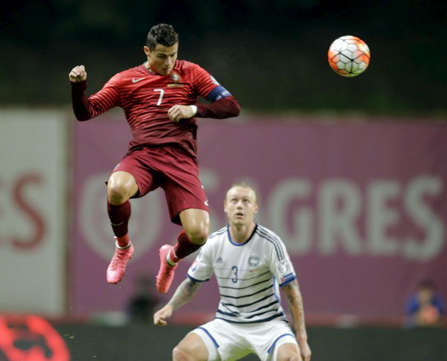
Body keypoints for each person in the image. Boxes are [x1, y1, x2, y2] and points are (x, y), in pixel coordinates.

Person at [68, 24, 240, 293]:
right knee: (116, 188)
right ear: (147, 51)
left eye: (173, 54)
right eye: (162, 56)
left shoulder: (191, 72)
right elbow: (85, 112)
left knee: (199, 235)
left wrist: (193, 108)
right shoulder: (125, 80)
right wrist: (78, 87)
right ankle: (123, 248)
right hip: (144, 156)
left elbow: (231, 106)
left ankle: (170, 258)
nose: (169, 62)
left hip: (181, 161)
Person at [154, 183, 312, 361]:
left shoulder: (270, 243)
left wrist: (302, 338)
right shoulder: (214, 242)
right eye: (234, 200)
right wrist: (170, 306)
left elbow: (292, 290)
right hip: (227, 323)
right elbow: (192, 283)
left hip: (268, 324)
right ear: (225, 207)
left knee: (292, 358)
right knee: (182, 353)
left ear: (255, 208)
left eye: (246, 201)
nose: (239, 205)